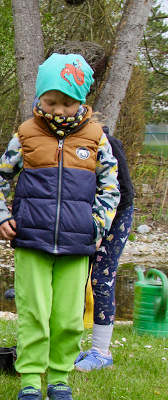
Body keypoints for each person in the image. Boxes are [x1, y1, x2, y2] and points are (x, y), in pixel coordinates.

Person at [0, 53, 120, 400]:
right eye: (51, 102)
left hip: (77, 245)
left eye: (67, 102)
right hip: (31, 241)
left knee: (68, 318)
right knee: (34, 313)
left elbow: (111, 187)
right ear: (39, 98)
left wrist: (98, 224)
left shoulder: (96, 139)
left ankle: (59, 380)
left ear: (81, 101)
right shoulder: (26, 134)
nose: (58, 110)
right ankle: (30, 383)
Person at [75, 127, 134, 371]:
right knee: (76, 278)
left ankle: (101, 351)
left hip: (116, 215)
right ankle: (70, 347)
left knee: (101, 279)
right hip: (83, 218)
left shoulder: (108, 144)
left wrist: (101, 229)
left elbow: (120, 193)